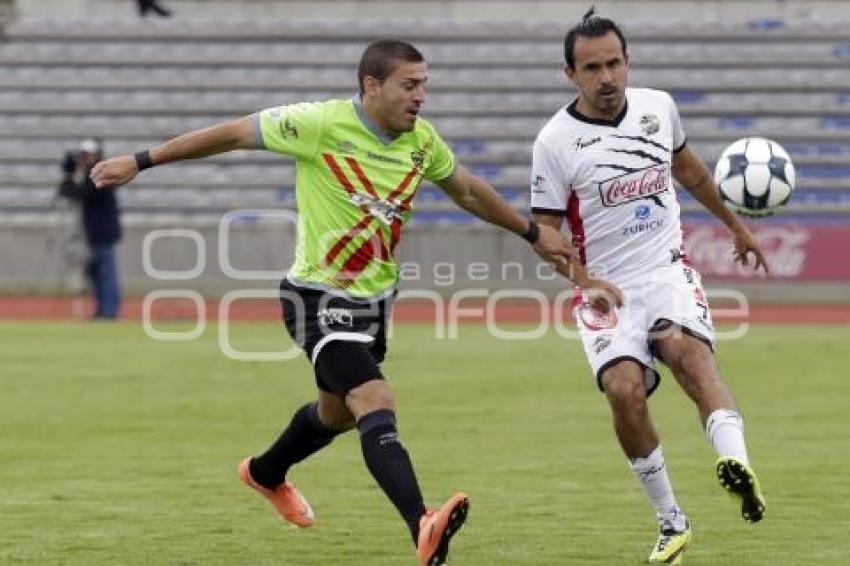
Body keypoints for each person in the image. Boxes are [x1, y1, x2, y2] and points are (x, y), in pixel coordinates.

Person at [91, 39, 608, 565]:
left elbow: (469, 191)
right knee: (374, 399)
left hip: (374, 306)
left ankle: (265, 473)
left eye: (424, 84)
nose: (421, 96)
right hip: (314, 295)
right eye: (410, 85)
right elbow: (231, 134)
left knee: (336, 413)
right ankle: (422, 524)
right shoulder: (317, 124)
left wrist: (529, 232)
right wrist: (140, 161)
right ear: (371, 86)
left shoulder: (421, 143)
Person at [530, 9, 769, 564]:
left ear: (628, 61)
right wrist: (584, 280)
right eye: (592, 68)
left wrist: (736, 226)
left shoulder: (659, 108)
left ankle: (738, 464)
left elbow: (690, 172)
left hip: (665, 270)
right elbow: (544, 232)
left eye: (614, 63)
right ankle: (671, 521)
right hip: (602, 287)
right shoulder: (555, 141)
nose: (607, 77)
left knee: (691, 359)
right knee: (624, 392)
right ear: (571, 74)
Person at [59, 138, 122, 319]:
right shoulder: (89, 176)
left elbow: (82, 194)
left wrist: (68, 179)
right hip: (94, 232)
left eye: (87, 155)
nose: (84, 158)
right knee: (95, 272)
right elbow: (77, 193)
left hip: (104, 231)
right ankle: (102, 308)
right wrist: (69, 177)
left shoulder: (101, 174)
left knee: (105, 272)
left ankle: (109, 311)